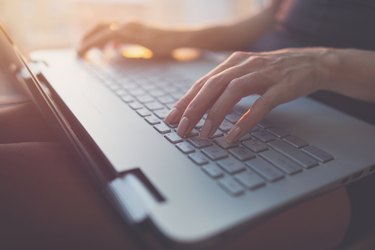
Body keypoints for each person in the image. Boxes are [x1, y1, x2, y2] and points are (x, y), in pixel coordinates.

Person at [1, 0, 374, 249]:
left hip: (348, 138)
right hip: (247, 82)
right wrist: (181, 38)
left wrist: (326, 64)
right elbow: (278, 16)